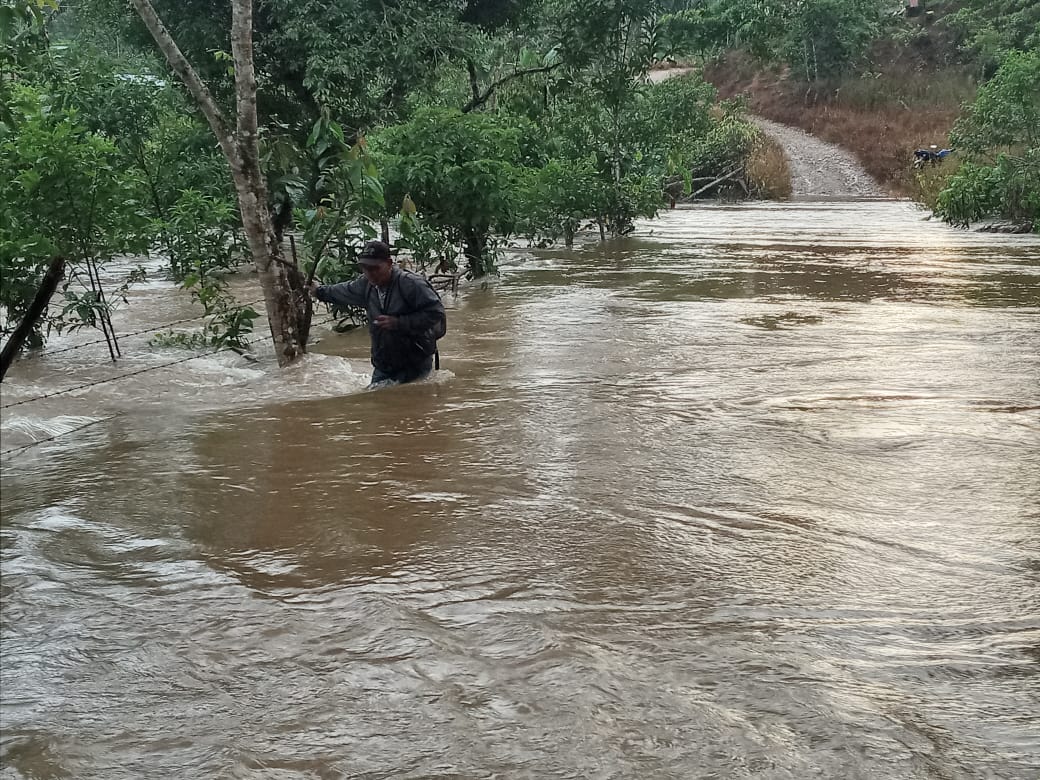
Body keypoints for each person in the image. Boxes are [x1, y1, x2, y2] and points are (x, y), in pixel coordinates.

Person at [307, 240, 446, 386]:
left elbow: (436, 313)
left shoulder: (411, 284)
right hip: (384, 365)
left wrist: (399, 323)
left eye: (375, 268)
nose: (370, 273)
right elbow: (342, 291)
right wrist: (318, 291)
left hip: (415, 363)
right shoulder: (365, 285)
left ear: (389, 263)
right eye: (365, 268)